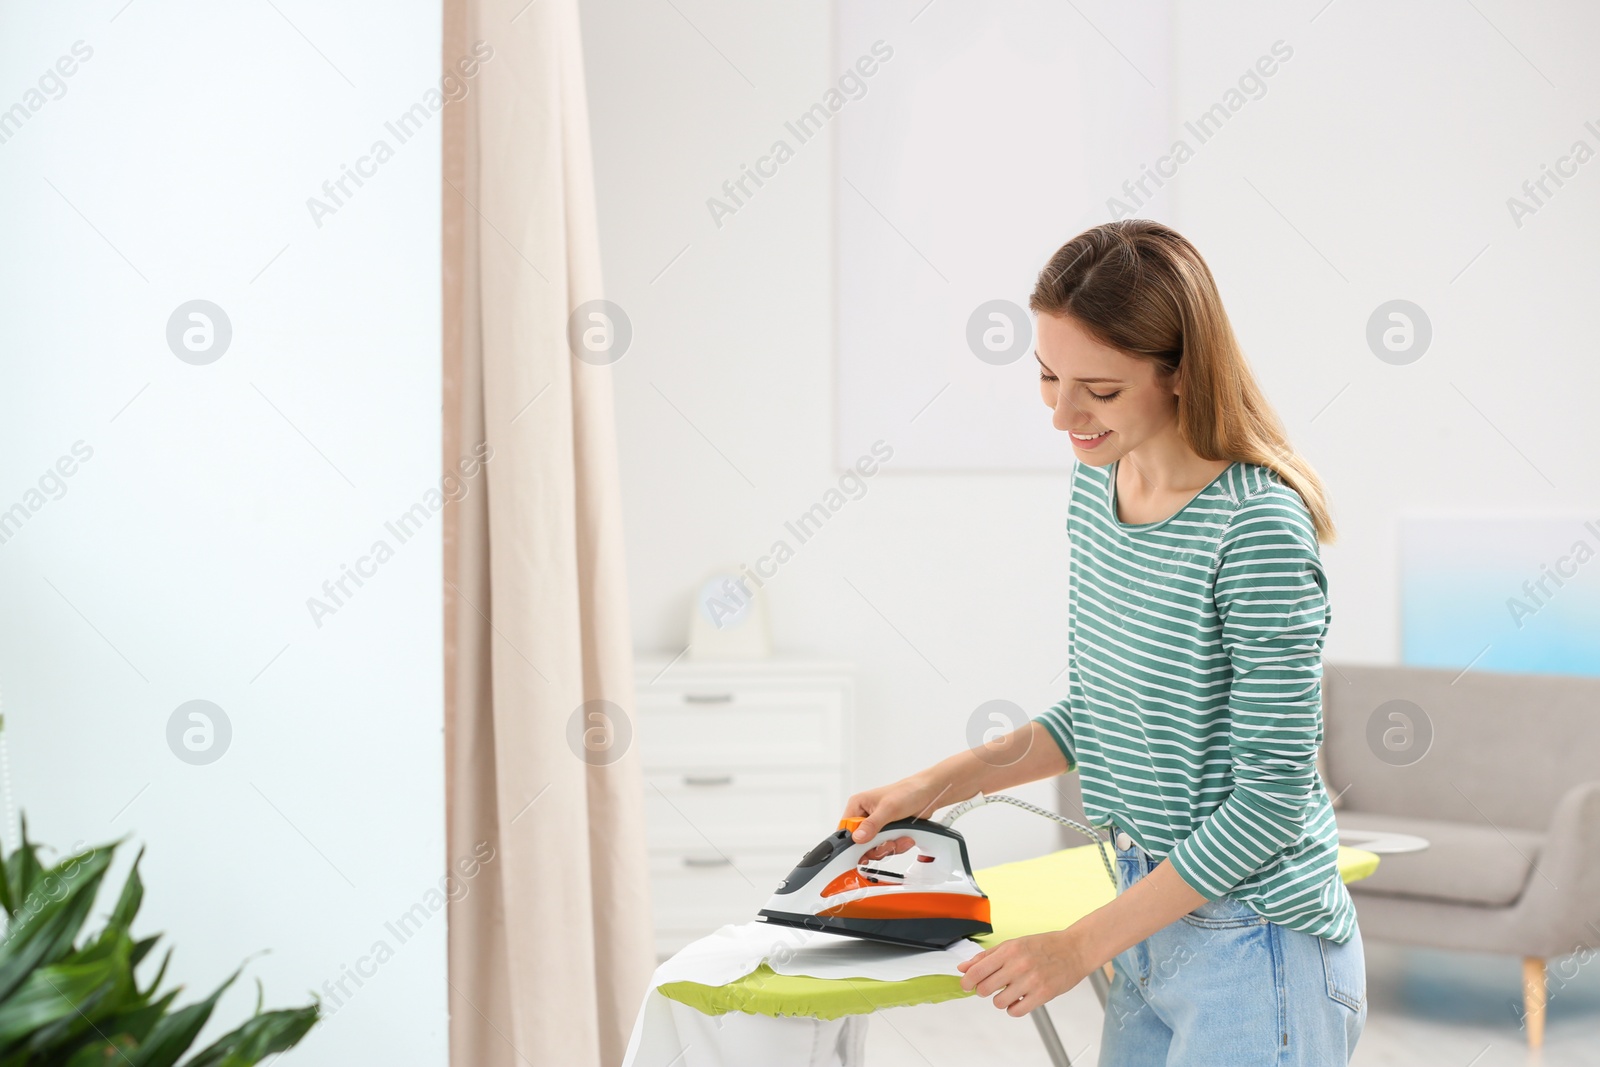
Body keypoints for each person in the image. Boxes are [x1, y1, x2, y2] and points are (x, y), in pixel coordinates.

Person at [841, 220, 1366, 1065]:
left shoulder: (1258, 526)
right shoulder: (1099, 482)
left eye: (1098, 389)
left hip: (1257, 943)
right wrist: (937, 782)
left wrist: (1076, 946)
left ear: (1181, 373)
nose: (1061, 413)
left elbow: (1269, 803)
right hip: (1148, 921)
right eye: (1047, 376)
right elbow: (1102, 711)